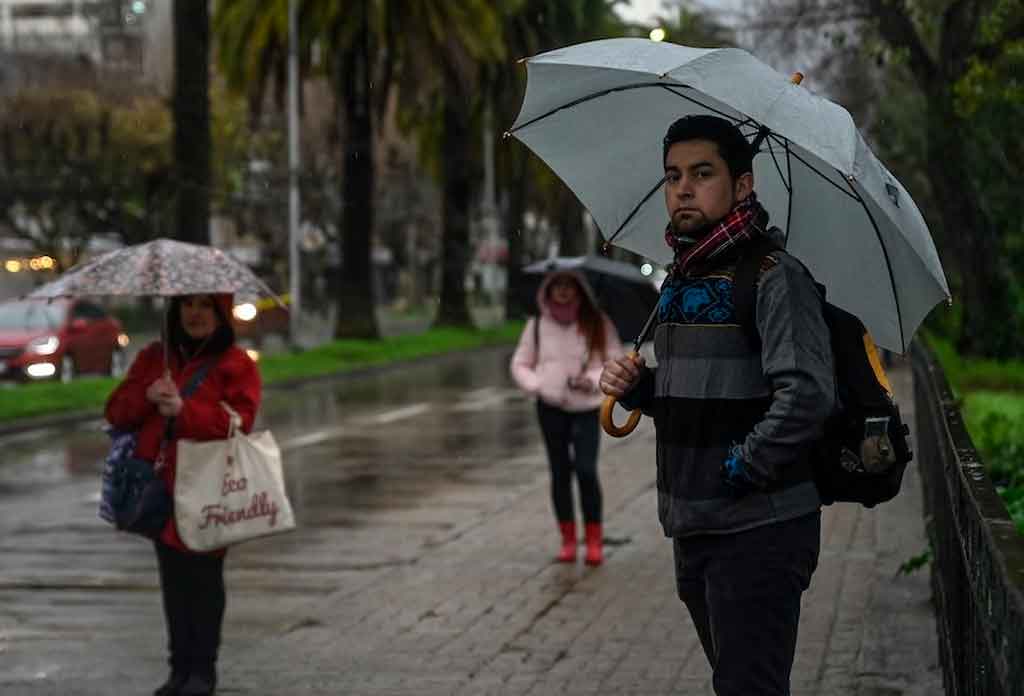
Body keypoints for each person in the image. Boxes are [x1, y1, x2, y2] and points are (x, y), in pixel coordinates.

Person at [599, 115, 834, 695]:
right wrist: (641, 388)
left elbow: (807, 394)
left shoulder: (775, 277)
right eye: (673, 175)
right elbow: (700, 394)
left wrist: (741, 466)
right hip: (693, 522)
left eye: (702, 173)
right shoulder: (684, 276)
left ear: (743, 186)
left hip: (760, 525)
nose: (683, 188)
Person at [105, 294, 260, 696]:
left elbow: (239, 421)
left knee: (204, 580)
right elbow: (116, 411)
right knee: (173, 581)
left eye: (205, 305)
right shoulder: (155, 357)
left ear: (221, 313)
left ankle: (203, 672)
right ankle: (178, 670)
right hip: (160, 488)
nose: (195, 313)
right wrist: (147, 397)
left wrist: (183, 410)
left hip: (210, 488)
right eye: (187, 305)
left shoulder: (236, 364)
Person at [510, 270, 624, 565]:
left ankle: (594, 539)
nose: (563, 291)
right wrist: (538, 385)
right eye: (557, 286)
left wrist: (593, 378)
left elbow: (614, 359)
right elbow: (521, 363)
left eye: (569, 286)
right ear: (547, 292)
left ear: (579, 290)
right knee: (560, 473)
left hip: (587, 407)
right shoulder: (536, 326)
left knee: (586, 470)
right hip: (551, 408)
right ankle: (568, 540)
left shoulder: (598, 322)